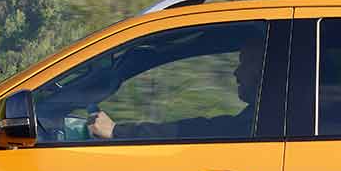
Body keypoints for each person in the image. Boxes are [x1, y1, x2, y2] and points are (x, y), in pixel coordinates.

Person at [88, 35, 264, 140]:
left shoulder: (264, 122)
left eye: (246, 63)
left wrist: (116, 131)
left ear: (264, 69)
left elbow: (201, 130)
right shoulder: (263, 119)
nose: (236, 72)